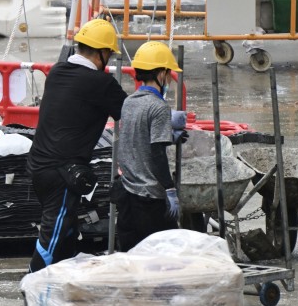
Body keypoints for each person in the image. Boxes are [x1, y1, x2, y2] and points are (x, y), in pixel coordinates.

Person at [27, 18, 127, 273]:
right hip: (61, 173)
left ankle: (60, 289)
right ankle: (32, 289)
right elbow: (132, 112)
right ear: (103, 53)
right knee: (54, 234)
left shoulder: (57, 72)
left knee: (67, 230)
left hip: (39, 167)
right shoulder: (100, 84)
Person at [114, 41, 184, 252]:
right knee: (163, 258)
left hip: (127, 193)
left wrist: (169, 136)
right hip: (150, 199)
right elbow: (157, 153)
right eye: (169, 72)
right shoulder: (159, 106)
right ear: (161, 73)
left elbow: (135, 140)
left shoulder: (129, 102)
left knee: (131, 256)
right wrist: (170, 189)